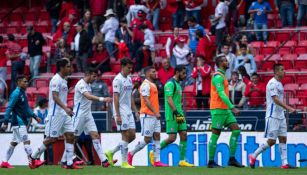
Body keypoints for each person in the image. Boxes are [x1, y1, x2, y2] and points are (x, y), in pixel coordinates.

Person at [31, 59, 82, 169]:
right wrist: (66, 108)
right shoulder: (56, 80)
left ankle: (68, 163)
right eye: (68, 66)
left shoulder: (63, 80)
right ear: (62, 68)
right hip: (55, 114)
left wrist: (66, 109)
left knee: (70, 135)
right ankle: (33, 157)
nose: (70, 69)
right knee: (52, 139)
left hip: (64, 113)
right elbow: (54, 96)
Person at [249, 64, 297, 169]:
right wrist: (289, 108)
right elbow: (275, 99)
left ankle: (284, 163)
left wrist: (285, 110)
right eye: (282, 69)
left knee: (283, 138)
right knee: (272, 141)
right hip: (272, 115)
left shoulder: (280, 84)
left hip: (281, 115)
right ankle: (254, 155)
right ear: (276, 72)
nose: (284, 71)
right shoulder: (272, 83)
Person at [68, 68, 114, 167]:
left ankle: (104, 161)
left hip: (88, 114)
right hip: (79, 114)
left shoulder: (88, 85)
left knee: (95, 135)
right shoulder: (80, 84)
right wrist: (103, 99)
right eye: (94, 76)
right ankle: (68, 160)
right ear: (88, 74)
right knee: (73, 138)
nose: (95, 78)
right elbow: (88, 96)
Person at [0, 76, 44, 169]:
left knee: (14, 143)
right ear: (19, 82)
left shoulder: (22, 92)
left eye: (27, 81)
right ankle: (32, 162)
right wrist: (5, 122)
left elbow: (26, 108)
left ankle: (4, 162)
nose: (26, 83)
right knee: (26, 141)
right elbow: (9, 107)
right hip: (18, 122)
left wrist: (35, 116)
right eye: (24, 81)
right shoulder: (16, 93)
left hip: (21, 121)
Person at [208, 54, 244, 168]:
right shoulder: (218, 77)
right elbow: (221, 94)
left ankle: (232, 159)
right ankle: (211, 162)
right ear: (220, 63)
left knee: (236, 130)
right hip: (218, 109)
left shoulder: (222, 76)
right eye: (225, 61)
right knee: (216, 134)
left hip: (225, 109)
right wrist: (232, 106)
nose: (227, 62)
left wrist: (229, 107)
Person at [127, 66, 168, 167]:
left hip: (154, 115)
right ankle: (131, 153)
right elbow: (146, 100)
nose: (156, 73)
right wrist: (155, 112)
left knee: (157, 135)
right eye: (154, 72)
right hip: (147, 115)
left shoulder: (153, 84)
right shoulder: (145, 85)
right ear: (148, 73)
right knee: (147, 139)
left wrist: (156, 113)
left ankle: (157, 160)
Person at [105, 58, 139, 169]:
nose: (130, 70)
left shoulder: (129, 79)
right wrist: (118, 115)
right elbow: (115, 98)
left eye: (131, 67)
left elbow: (130, 96)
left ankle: (111, 152)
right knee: (125, 135)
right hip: (120, 110)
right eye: (128, 68)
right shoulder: (117, 80)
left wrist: (135, 111)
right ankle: (124, 163)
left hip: (128, 111)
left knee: (132, 135)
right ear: (122, 67)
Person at [160, 65, 194, 167]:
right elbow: (169, 99)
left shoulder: (178, 84)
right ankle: (154, 151)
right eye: (183, 73)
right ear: (177, 72)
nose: (185, 75)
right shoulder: (170, 84)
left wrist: (179, 112)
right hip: (172, 114)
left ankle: (181, 161)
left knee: (184, 134)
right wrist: (175, 112)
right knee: (172, 138)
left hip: (179, 114)